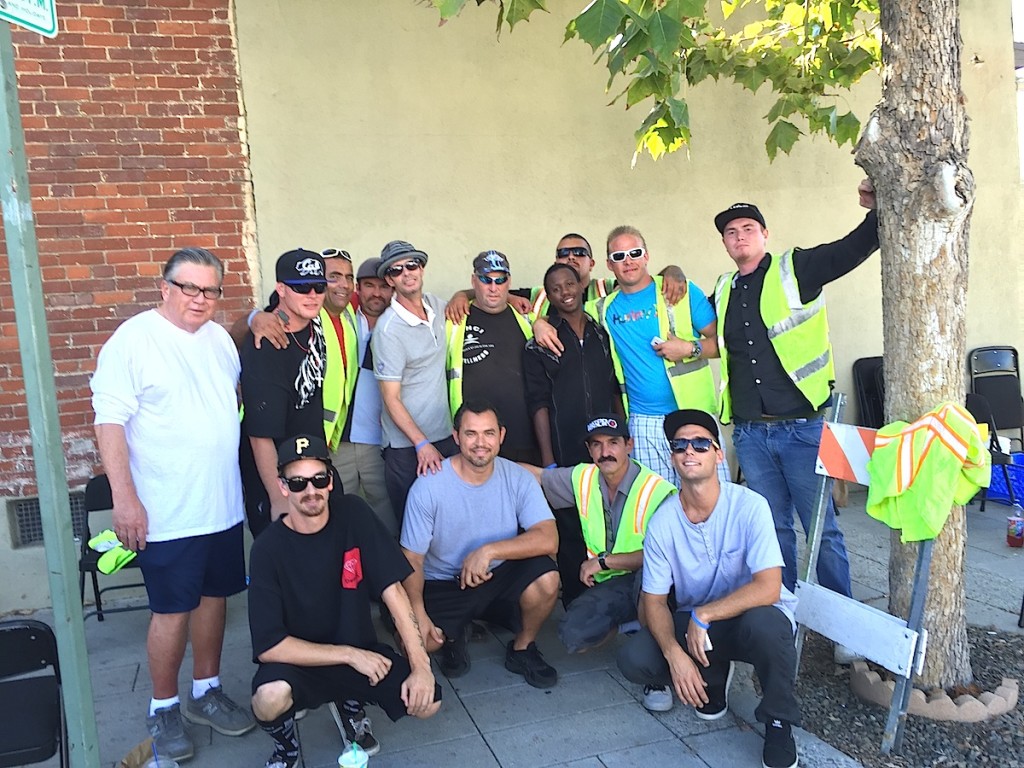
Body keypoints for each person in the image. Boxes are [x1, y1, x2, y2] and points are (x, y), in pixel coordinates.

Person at [91, 247, 254, 761]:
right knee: (172, 610)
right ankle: (163, 706)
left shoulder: (221, 341)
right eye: (190, 288)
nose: (200, 299)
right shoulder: (134, 341)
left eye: (210, 290)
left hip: (221, 506)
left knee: (214, 601)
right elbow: (109, 422)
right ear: (165, 288)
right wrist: (125, 500)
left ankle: (205, 692)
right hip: (166, 511)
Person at [711, 181, 877, 665]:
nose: (739, 237)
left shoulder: (793, 270)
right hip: (751, 434)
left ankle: (844, 627)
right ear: (724, 243)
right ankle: (781, 615)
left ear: (764, 234)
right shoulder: (723, 288)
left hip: (803, 429)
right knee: (773, 532)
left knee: (821, 529)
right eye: (730, 232)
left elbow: (853, 249)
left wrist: (878, 210)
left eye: (747, 229)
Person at [616, 409, 801, 768]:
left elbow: (769, 587)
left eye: (701, 443)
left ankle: (779, 721)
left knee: (769, 625)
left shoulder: (750, 506)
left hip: (751, 617)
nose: (690, 450)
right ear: (672, 456)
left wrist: (705, 614)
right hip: (697, 629)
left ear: (718, 454)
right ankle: (711, 676)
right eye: (680, 444)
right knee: (635, 657)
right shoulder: (662, 522)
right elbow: (653, 602)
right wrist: (674, 655)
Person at [248, 434, 441, 768]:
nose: (310, 490)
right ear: (283, 487)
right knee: (268, 698)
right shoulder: (266, 549)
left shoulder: (353, 513)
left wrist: (421, 667)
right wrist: (350, 656)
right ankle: (287, 749)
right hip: (301, 663)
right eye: (298, 483)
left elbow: (393, 590)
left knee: (429, 702)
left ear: (331, 481)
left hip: (360, 652)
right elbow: (269, 646)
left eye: (318, 479)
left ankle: (350, 704)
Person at [537, 227, 724, 485]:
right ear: (608, 265)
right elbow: (566, 307)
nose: (628, 260)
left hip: (693, 416)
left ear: (646, 256)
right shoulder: (602, 309)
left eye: (634, 252)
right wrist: (540, 322)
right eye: (619, 256)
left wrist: (690, 348)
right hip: (642, 422)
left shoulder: (681, 290)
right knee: (655, 505)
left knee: (710, 499)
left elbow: (723, 343)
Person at [401, 401, 561, 689]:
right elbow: (412, 559)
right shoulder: (428, 486)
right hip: (445, 583)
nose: (480, 443)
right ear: (456, 437)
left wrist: (489, 551)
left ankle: (523, 647)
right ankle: (455, 633)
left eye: (488, 433)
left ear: (501, 435)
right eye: (471, 434)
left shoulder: (518, 477)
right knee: (421, 641)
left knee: (547, 578)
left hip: (498, 575)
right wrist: (417, 613)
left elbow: (549, 538)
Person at [521, 414, 675, 671]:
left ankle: (655, 670)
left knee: (649, 583)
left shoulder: (656, 490)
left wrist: (605, 562)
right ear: (589, 450)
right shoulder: (585, 477)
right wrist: (486, 463)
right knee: (573, 635)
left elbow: (665, 558)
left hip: (653, 581)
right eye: (597, 444)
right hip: (612, 582)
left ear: (629, 445)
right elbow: (537, 476)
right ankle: (631, 623)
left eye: (613, 442)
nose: (605, 452)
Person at [240, 248, 330, 536]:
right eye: (301, 287)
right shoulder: (267, 342)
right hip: (280, 481)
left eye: (319, 286)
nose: (312, 294)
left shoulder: (315, 323)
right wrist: (279, 500)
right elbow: (259, 433)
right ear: (281, 289)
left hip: (312, 470)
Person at [371, 240, 458, 525]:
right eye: (397, 270)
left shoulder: (436, 306)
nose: (407, 273)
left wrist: (464, 293)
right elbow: (390, 398)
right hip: (408, 449)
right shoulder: (388, 329)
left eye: (412, 265)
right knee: (414, 526)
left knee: (448, 521)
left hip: (445, 437)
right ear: (389, 279)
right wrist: (421, 444)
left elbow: (479, 298)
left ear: (421, 268)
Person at [524, 262, 622, 469]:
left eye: (569, 284)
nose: (565, 292)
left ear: (581, 286)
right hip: (565, 448)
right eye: (556, 289)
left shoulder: (602, 333)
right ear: (549, 297)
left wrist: (623, 436)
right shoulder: (540, 345)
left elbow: (614, 390)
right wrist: (548, 459)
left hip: (606, 446)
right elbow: (538, 404)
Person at [446, 250, 539, 463]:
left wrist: (541, 323)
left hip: (524, 437)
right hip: (474, 443)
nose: (494, 288)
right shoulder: (454, 319)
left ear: (509, 281)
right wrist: (461, 294)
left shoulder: (528, 318)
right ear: (473, 280)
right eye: (486, 280)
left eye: (501, 280)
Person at [332, 256, 397, 534]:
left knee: (387, 518)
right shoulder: (341, 315)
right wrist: (256, 316)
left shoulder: (401, 321)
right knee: (336, 514)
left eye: (384, 286)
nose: (377, 293)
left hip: (379, 440)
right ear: (358, 287)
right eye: (369, 285)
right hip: (338, 440)